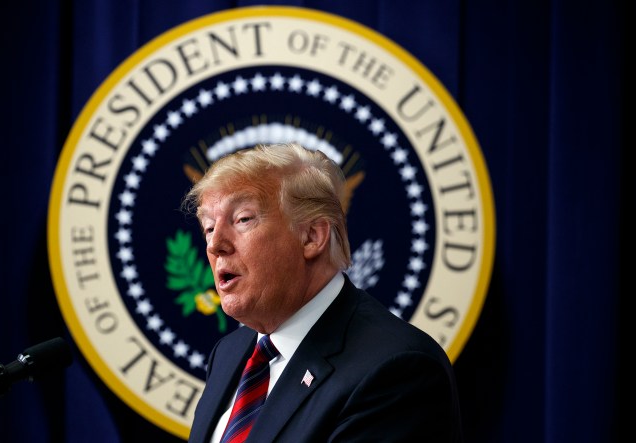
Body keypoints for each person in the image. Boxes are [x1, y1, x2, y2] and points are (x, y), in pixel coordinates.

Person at [184, 142, 463, 442]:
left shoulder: (397, 370)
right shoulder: (229, 353)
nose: (215, 245)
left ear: (312, 237)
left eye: (242, 219)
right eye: (209, 228)